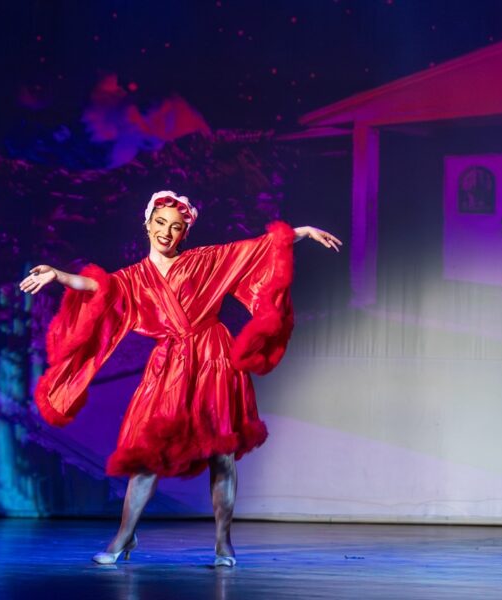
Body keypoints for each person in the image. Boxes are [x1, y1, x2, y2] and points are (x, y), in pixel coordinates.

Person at [19, 190, 340, 567]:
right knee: (147, 456)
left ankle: (223, 543)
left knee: (222, 453)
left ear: (184, 232)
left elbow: (254, 248)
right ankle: (123, 538)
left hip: (213, 358)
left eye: (175, 227)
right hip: (170, 365)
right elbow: (98, 287)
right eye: (160, 224)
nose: (166, 233)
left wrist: (298, 232)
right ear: (147, 224)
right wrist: (58, 275)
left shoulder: (204, 261)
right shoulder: (134, 278)